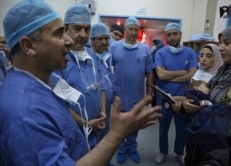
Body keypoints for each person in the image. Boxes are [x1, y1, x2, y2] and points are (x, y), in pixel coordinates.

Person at [0, 0, 162, 165]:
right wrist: (117, 134)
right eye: (59, 33)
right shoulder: (25, 111)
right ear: (28, 45)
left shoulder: (39, 82)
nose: (69, 41)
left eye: (87, 29)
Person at [173, 24, 231, 166]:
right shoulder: (222, 73)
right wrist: (184, 106)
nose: (220, 47)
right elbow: (205, 102)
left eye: (227, 43)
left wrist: (227, 160)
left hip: (221, 155)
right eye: (220, 43)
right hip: (200, 146)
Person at [54, 4, 107, 151]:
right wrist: (86, 124)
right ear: (65, 29)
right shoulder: (58, 60)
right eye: (77, 29)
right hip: (73, 131)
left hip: (96, 127)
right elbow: (58, 103)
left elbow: (101, 85)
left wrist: (102, 112)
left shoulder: (91, 55)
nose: (83, 35)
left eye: (87, 29)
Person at [109, 16, 154, 164]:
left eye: (136, 29)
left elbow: (150, 72)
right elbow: (107, 70)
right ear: (125, 31)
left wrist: (149, 93)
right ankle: (122, 149)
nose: (133, 32)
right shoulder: (114, 48)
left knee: (134, 124)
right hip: (119, 95)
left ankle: (132, 148)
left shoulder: (144, 49)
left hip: (137, 96)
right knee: (120, 125)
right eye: (130, 29)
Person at [154, 22, 198, 165]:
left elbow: (191, 75)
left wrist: (169, 74)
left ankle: (179, 152)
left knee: (181, 128)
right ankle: (163, 151)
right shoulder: (160, 53)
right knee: (163, 128)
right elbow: (160, 76)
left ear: (180, 34)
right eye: (169, 34)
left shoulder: (190, 53)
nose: (172, 37)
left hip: (183, 97)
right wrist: (183, 73)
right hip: (164, 97)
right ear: (165, 36)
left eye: (175, 33)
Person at [186, 80, 231, 148]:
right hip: (204, 124)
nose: (209, 89)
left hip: (211, 121)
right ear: (197, 87)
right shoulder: (192, 97)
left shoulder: (206, 98)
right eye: (206, 86)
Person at [89, 23, 114, 140]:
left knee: (104, 134)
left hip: (107, 107)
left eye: (106, 38)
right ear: (92, 40)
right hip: (92, 107)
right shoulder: (87, 60)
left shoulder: (107, 58)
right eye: (100, 38)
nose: (104, 42)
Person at [151, 39, 164, 106]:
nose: (152, 47)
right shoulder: (152, 54)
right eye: (151, 45)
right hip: (153, 76)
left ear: (158, 45)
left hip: (159, 78)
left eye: (153, 45)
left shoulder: (161, 53)